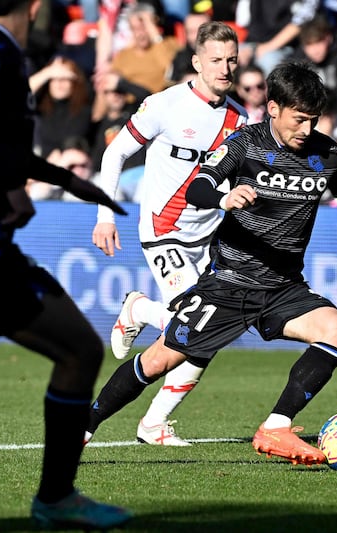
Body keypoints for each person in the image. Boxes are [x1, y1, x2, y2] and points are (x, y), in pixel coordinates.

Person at [85, 61, 337, 466]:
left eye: (313, 120)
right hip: (229, 281)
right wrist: (224, 198)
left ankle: (276, 426)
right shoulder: (245, 143)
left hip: (283, 286)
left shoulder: (327, 153)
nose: (307, 129)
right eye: (299, 120)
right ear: (274, 108)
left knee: (336, 331)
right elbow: (199, 186)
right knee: (158, 361)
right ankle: (83, 429)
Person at [0, 0, 132, 528]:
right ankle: (56, 498)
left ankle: (58, 498)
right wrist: (15, 185)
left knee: (77, 352)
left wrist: (62, 181)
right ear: (34, 5)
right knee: (81, 350)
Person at [89, 21, 247, 447]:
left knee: (203, 340)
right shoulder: (165, 104)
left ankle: (153, 423)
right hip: (164, 230)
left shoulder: (240, 118)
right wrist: (106, 215)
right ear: (196, 62)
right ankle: (139, 310)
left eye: (232, 60)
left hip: (209, 239)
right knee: (197, 326)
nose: (225, 68)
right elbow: (115, 152)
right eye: (216, 60)